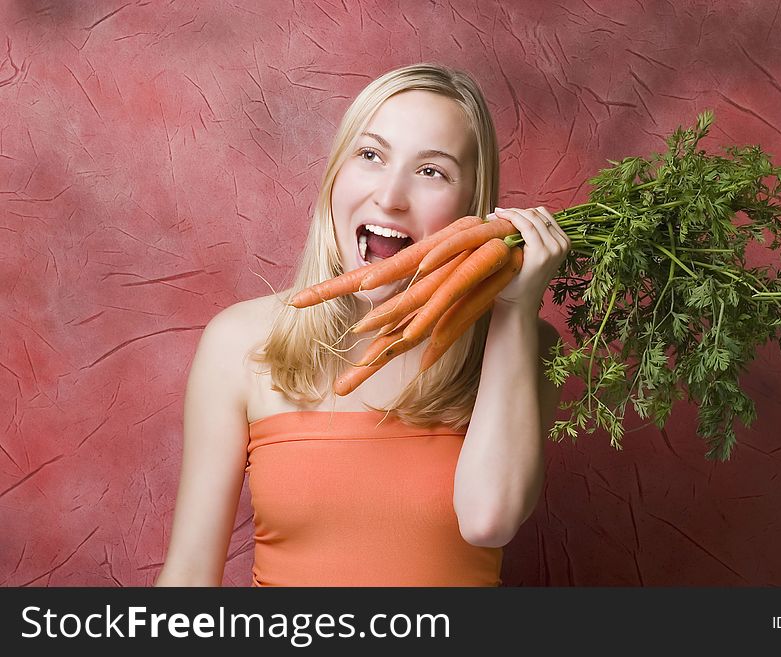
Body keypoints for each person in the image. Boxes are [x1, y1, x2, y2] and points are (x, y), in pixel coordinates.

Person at [154, 63, 570, 587]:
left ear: (472, 208)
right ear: (335, 175)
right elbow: (189, 577)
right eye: (370, 155)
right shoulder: (239, 342)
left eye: (432, 171)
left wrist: (512, 309)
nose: (391, 196)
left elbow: (490, 519)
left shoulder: (525, 346)